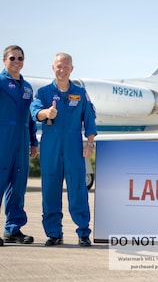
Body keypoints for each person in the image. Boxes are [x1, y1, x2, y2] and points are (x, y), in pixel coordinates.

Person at [30, 53, 97, 247]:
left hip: (74, 148)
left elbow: (90, 119)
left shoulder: (80, 92)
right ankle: (54, 233)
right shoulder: (43, 92)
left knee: (78, 190)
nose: (62, 70)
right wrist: (46, 113)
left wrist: (90, 143)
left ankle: (83, 232)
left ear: (72, 69)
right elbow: (35, 112)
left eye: (66, 67)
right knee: (50, 190)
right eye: (59, 66)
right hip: (51, 148)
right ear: (53, 67)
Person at [0, 45, 38, 246]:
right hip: (2, 138)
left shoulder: (27, 87)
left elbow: (30, 117)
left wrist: (33, 141)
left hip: (22, 140)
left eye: (20, 58)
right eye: (12, 58)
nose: (16, 62)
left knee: (18, 185)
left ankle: (13, 229)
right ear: (4, 60)